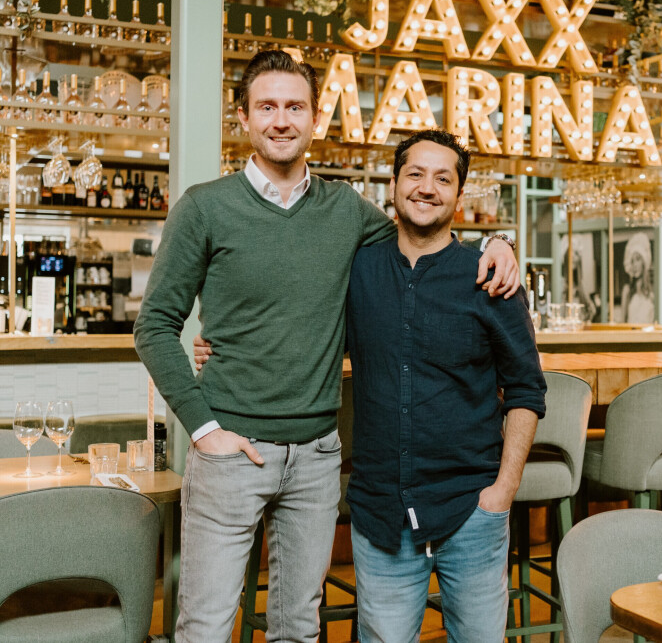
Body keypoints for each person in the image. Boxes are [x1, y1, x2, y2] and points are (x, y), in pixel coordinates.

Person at [133, 49, 518, 642]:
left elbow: (422, 223)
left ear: (315, 119)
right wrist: (204, 429)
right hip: (231, 452)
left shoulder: (345, 210)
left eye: (295, 106)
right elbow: (154, 324)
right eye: (267, 107)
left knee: (299, 628)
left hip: (317, 457)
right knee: (206, 626)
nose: (281, 120)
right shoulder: (205, 208)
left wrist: (496, 240)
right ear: (244, 119)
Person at [345, 130, 546, 641]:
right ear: (393, 184)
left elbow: (526, 389)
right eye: (414, 174)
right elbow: (298, 336)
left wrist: (503, 492)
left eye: (443, 178)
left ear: (459, 194)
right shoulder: (358, 271)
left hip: (471, 509)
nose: (426, 188)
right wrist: (222, 347)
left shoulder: (489, 277)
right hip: (380, 510)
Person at [619, 231, 654, 324]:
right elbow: (622, 323)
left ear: (644, 262)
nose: (635, 265)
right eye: (632, 261)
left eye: (638, 259)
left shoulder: (652, 293)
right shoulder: (627, 291)